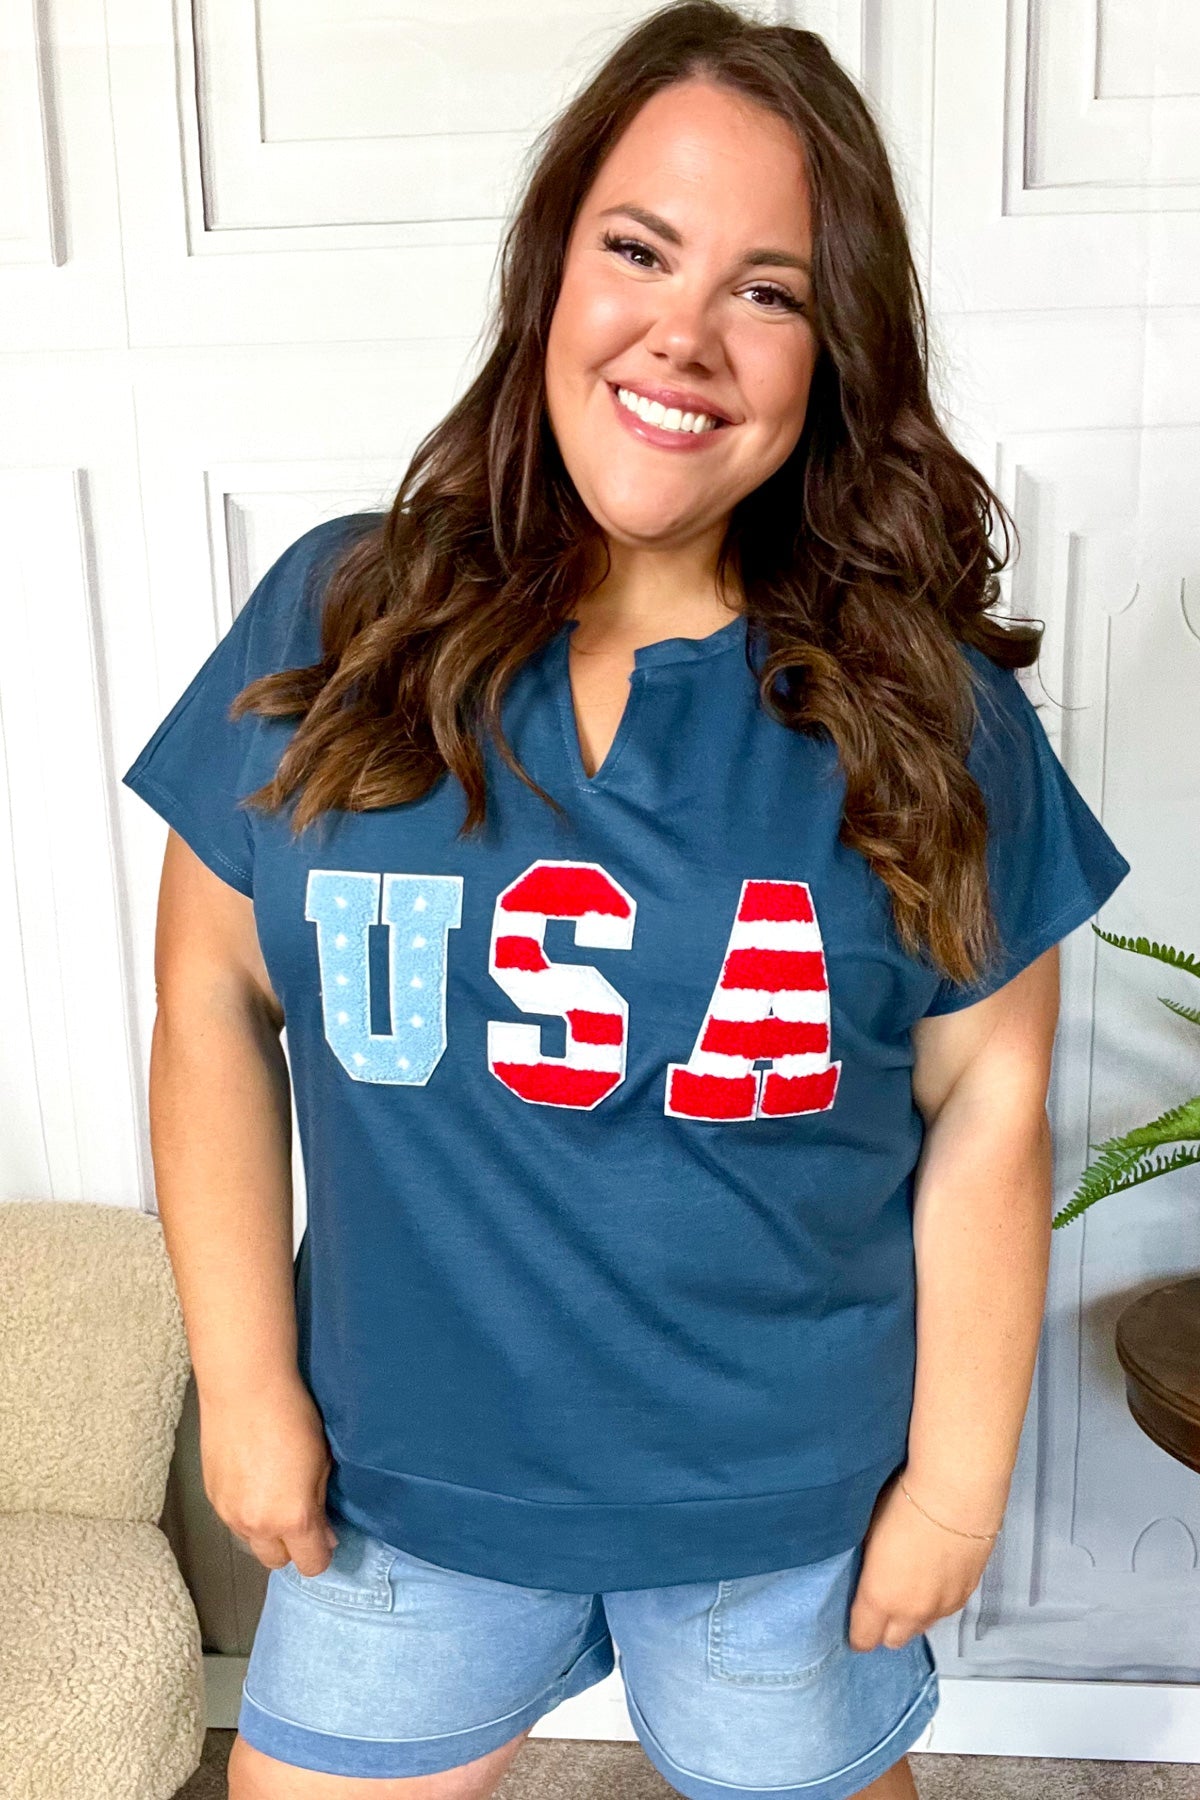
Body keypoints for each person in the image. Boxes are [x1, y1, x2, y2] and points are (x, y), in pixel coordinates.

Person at [124, 5, 1132, 1797]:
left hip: (783, 1516)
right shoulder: (338, 622)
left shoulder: (927, 712)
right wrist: (248, 1387)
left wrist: (959, 1489)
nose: (686, 332)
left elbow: (992, 1098)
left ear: (835, 353)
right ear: (553, 270)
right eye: (640, 250)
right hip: (401, 1491)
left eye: (769, 289)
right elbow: (209, 995)